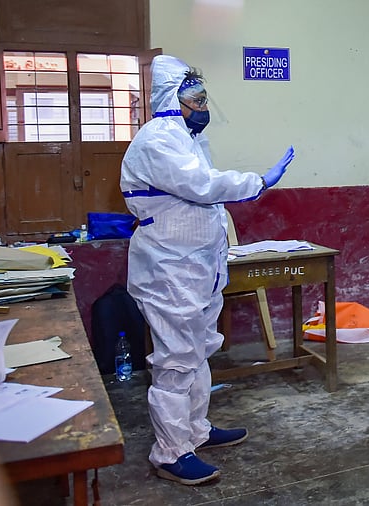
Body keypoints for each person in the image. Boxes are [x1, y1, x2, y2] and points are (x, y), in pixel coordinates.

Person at [120, 55, 295, 485]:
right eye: (194, 99)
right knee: (176, 360)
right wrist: (259, 181)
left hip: (195, 267)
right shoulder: (158, 140)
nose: (202, 106)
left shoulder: (187, 138)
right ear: (170, 100)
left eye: (203, 98)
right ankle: (170, 452)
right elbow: (203, 186)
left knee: (198, 352)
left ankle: (195, 431)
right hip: (168, 270)